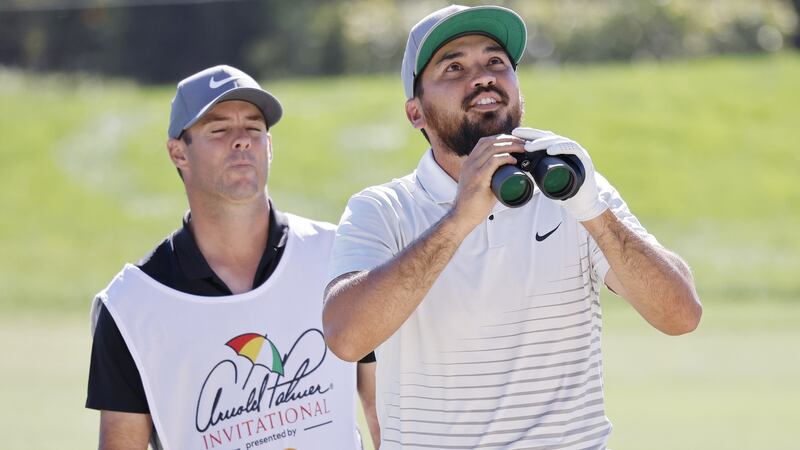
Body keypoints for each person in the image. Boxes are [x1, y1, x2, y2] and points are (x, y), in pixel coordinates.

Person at [323, 4, 702, 449]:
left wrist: (593, 210)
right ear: (416, 114)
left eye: (495, 62)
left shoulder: (572, 191)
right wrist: (459, 218)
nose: (482, 76)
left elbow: (680, 316)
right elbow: (346, 338)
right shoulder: (382, 209)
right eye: (454, 67)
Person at [86, 65, 377, 450]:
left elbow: (383, 412)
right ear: (178, 153)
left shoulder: (338, 257)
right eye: (219, 130)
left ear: (269, 147)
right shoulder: (130, 305)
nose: (241, 140)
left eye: (254, 128)